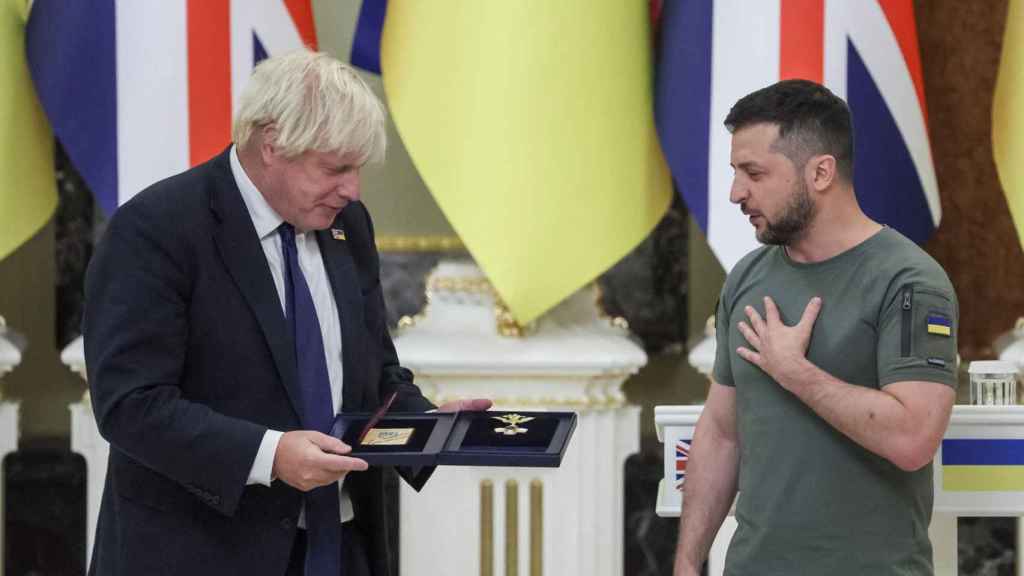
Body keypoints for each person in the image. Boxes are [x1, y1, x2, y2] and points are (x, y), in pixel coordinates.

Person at [83, 50, 490, 576]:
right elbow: (130, 405)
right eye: (335, 168)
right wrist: (270, 455)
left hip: (341, 546)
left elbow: (374, 374)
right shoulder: (156, 230)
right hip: (204, 551)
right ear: (271, 143)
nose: (352, 189)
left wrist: (428, 427)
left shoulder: (349, 226)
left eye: (357, 169)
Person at [672, 79, 958, 575]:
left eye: (754, 172)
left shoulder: (910, 280)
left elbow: (913, 439)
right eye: (735, 172)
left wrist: (795, 371)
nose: (737, 192)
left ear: (821, 172)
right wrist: (687, 560)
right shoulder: (747, 276)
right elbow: (721, 433)